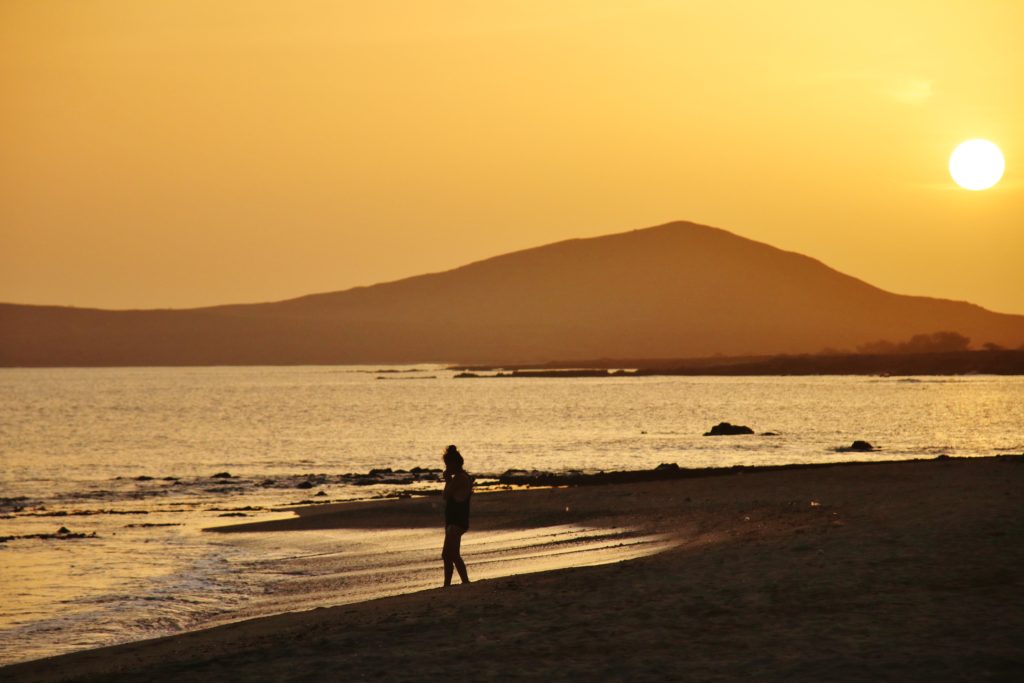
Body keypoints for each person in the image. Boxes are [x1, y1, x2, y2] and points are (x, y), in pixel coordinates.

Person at [441, 444, 472, 586]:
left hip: (457, 521)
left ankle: (464, 581)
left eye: (448, 464)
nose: (447, 467)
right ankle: (448, 583)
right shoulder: (461, 477)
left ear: (454, 464)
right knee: (447, 555)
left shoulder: (460, 478)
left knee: (452, 554)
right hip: (454, 520)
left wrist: (447, 480)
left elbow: (446, 495)